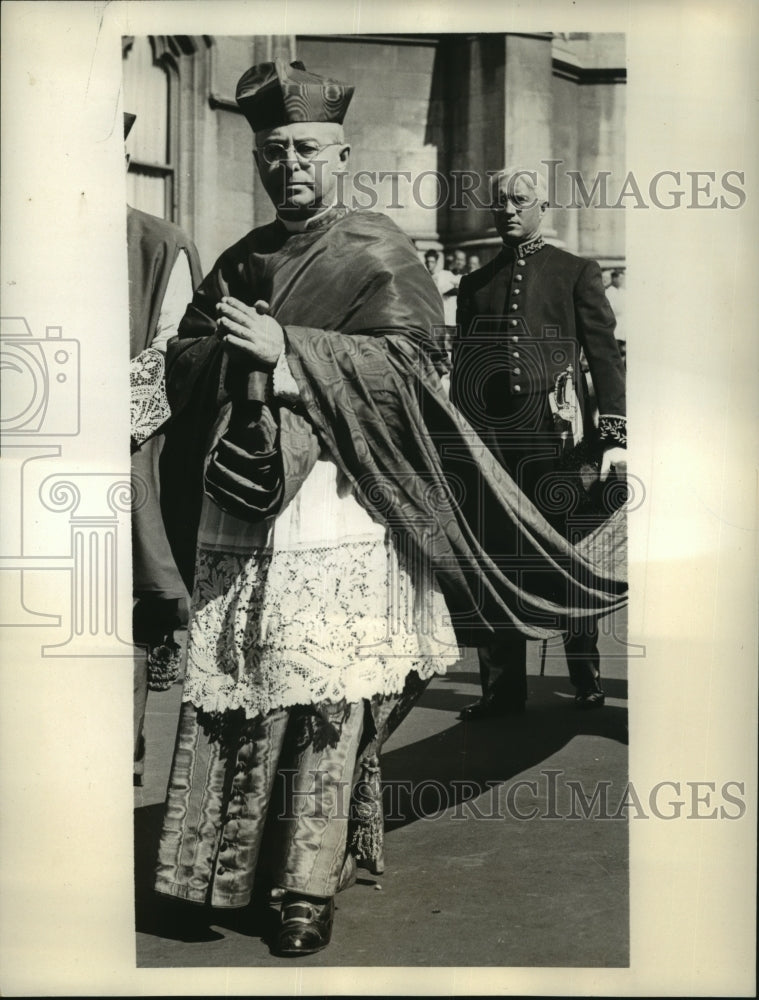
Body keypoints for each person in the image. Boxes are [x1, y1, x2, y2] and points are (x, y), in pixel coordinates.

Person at [152, 64, 625, 958]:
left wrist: (288, 347)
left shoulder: (377, 250)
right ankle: (212, 867)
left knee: (332, 701)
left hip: (338, 504)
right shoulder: (240, 257)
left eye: (303, 150)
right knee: (239, 700)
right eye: (270, 152)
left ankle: (302, 887)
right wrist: (214, 353)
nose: (286, 166)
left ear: (339, 155)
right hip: (246, 512)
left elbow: (411, 366)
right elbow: (183, 359)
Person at [451, 166, 627, 718]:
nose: (507, 209)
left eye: (519, 200)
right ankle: (502, 689)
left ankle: (585, 674)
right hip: (494, 443)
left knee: (568, 552)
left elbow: (604, 354)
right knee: (495, 558)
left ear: (542, 207)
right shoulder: (476, 284)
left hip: (558, 440)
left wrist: (615, 433)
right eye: (500, 201)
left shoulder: (575, 271)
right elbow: (464, 369)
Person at [126, 112, 203, 786]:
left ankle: (123, 745)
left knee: (132, 598)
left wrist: (97, 418)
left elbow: (170, 353)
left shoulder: (158, 243)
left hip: (131, 449)